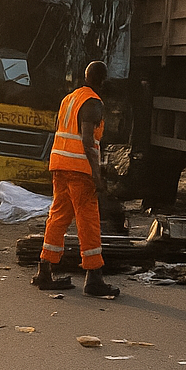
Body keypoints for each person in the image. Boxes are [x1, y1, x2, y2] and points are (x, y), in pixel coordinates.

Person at [33, 61, 119, 298]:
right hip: (79, 170)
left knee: (58, 216)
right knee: (88, 220)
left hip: (59, 166)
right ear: (102, 81)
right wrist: (97, 176)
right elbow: (87, 141)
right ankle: (94, 277)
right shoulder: (92, 102)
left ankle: (45, 270)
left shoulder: (69, 99)